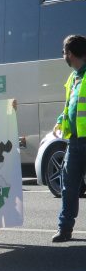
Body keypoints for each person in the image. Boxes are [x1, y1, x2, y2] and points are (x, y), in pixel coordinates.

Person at [52, 34, 86, 243]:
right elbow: (70, 106)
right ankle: (64, 229)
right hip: (75, 141)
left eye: (64, 52)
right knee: (68, 184)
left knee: (69, 184)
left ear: (70, 54)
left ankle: (65, 227)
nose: (63, 55)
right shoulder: (73, 77)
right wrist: (60, 120)